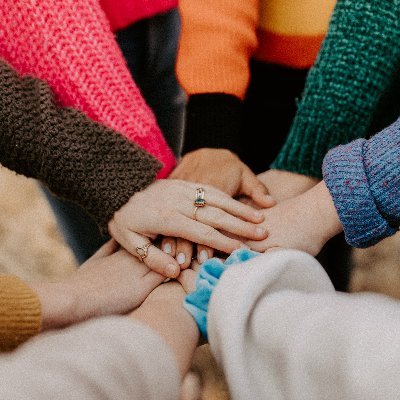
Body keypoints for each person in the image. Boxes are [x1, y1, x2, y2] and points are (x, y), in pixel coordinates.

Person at [169, 0, 400, 289]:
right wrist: (211, 132)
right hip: (253, 78)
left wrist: (321, 198)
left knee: (318, 245)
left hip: (371, 75)